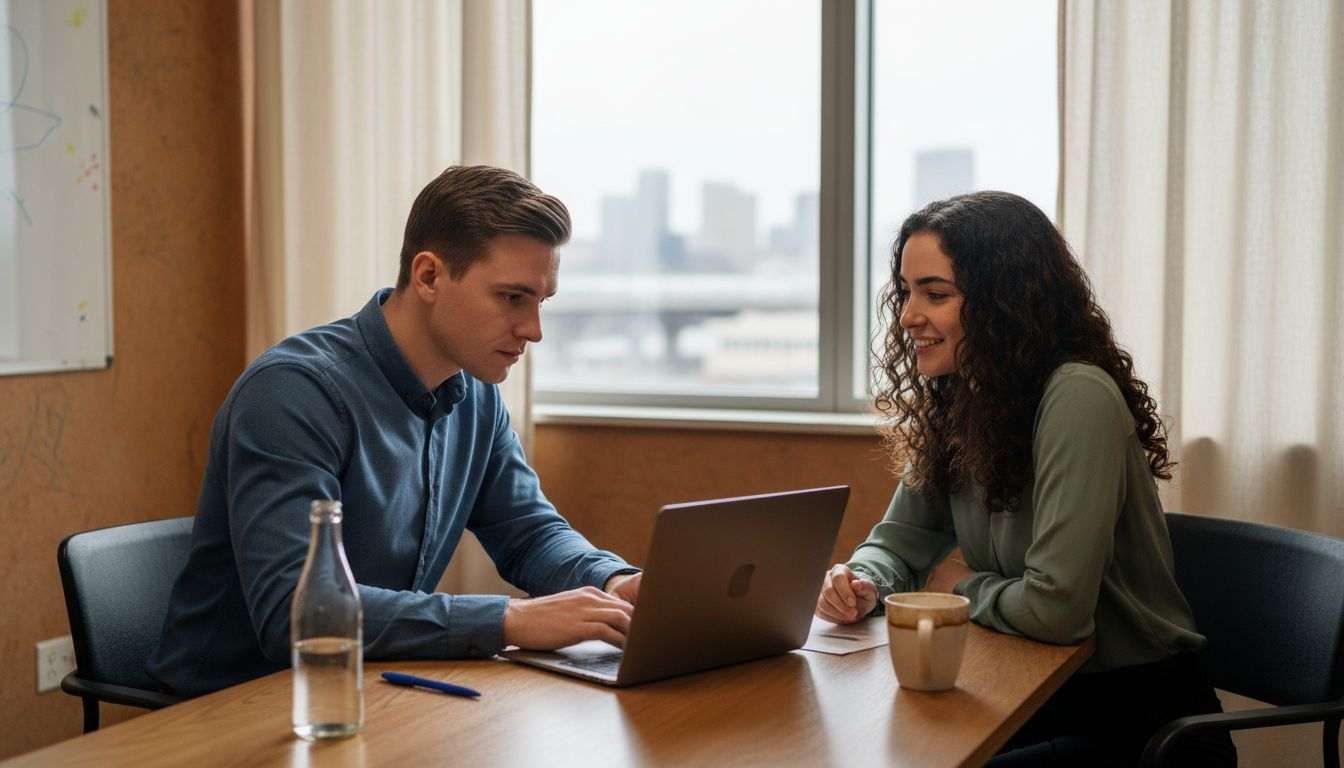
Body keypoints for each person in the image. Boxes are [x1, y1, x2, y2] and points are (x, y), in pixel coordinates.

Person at [148, 165, 641, 697]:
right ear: (429, 276)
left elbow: (530, 533)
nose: (534, 330)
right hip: (230, 709)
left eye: (540, 302)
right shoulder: (293, 393)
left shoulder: (474, 393)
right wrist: (508, 620)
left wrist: (615, 582)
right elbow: (297, 611)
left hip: (367, 689)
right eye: (512, 298)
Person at [815, 192, 1235, 765]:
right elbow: (900, 541)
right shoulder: (964, 399)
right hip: (1030, 687)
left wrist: (957, 585)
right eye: (907, 292)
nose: (909, 315)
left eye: (936, 294)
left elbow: (1057, 614)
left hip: (1140, 722)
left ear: (1003, 302)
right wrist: (864, 581)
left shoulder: (1076, 396)